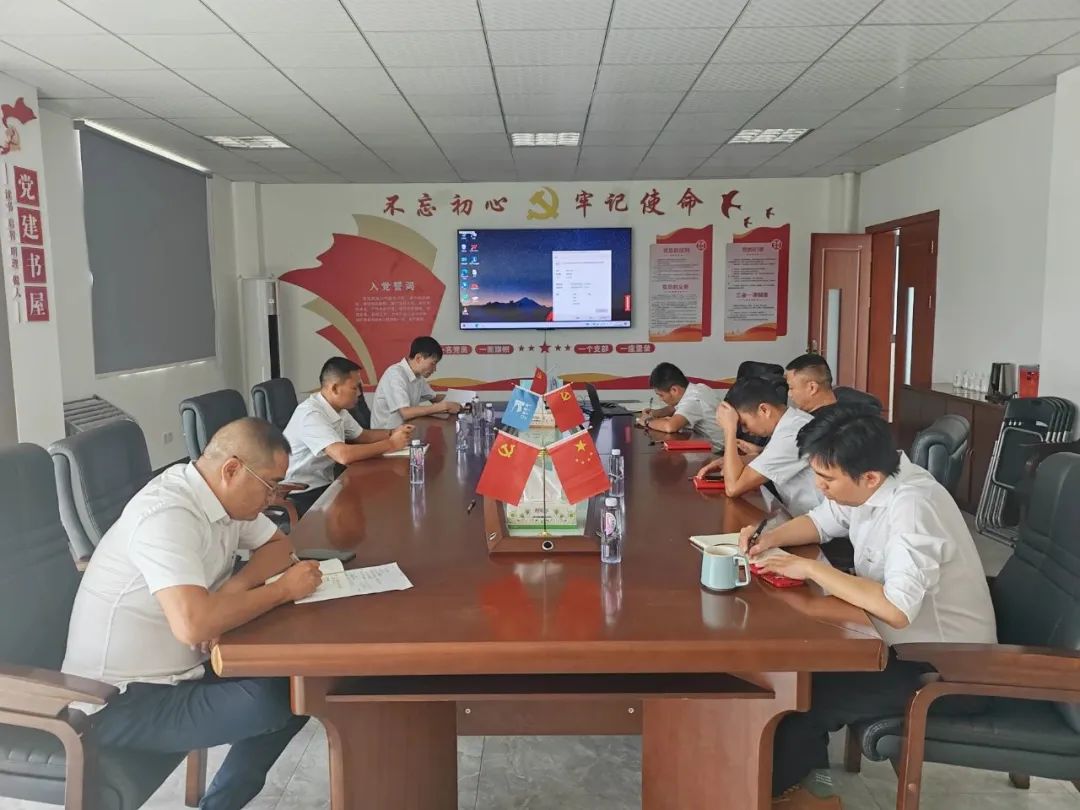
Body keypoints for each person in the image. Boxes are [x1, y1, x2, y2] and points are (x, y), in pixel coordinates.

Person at [740, 406, 996, 809]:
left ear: (870, 477)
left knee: (801, 692)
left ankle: (792, 797)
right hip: (899, 646)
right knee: (799, 672)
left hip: (946, 670)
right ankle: (807, 786)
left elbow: (896, 608)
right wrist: (770, 538)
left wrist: (810, 568)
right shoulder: (872, 480)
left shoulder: (913, 507)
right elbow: (823, 521)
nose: (819, 486)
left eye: (826, 479)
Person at [62, 418, 325, 810]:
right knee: (278, 699)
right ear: (232, 470)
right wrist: (281, 590)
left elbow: (278, 546)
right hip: (118, 701)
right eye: (269, 484)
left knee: (303, 680)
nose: (273, 497)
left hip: (184, 669)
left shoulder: (223, 502)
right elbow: (194, 626)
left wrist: (230, 593)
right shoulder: (167, 514)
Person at [284, 356, 413, 516]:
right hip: (301, 492)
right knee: (370, 503)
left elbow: (363, 436)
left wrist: (393, 432)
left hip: (325, 485)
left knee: (376, 496)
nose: (359, 394)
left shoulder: (338, 410)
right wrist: (391, 444)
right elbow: (343, 455)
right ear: (335, 388)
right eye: (354, 388)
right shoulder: (311, 414)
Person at [696, 376, 822, 517]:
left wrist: (729, 430)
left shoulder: (792, 434)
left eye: (743, 424)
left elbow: (733, 488)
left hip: (819, 524)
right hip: (802, 516)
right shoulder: (793, 421)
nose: (744, 431)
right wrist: (740, 460)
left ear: (764, 410)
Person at [370, 336, 461, 429]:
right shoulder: (395, 374)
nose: (434, 369)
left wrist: (462, 401)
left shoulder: (418, 376)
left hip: (404, 430)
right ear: (418, 358)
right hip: (386, 434)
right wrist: (442, 407)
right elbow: (406, 412)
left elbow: (434, 398)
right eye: (433, 363)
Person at [636, 362, 726, 449]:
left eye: (661, 395)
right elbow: (674, 408)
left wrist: (647, 421)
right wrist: (655, 413)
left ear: (674, 390)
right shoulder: (699, 388)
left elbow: (670, 427)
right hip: (713, 446)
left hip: (718, 451)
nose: (660, 399)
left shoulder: (693, 400)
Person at [785, 354, 882, 416]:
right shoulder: (843, 399)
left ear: (812, 388)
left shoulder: (817, 427)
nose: (789, 394)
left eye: (791, 388)